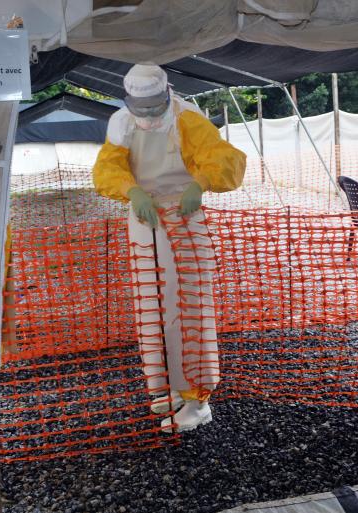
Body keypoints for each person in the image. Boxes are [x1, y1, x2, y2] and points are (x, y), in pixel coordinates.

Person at [92, 64, 245, 432]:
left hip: (185, 216)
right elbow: (107, 169)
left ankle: (197, 398)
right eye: (138, 106)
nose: (145, 114)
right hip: (145, 221)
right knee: (152, 308)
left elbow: (223, 157)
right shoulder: (121, 123)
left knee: (189, 307)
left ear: (167, 93)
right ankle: (164, 391)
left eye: (152, 106)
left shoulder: (188, 118)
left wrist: (200, 183)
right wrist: (132, 191)